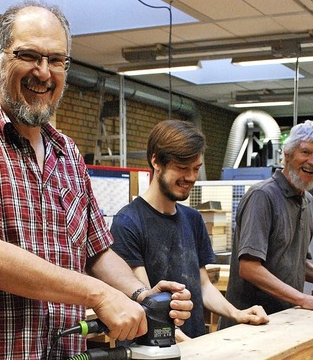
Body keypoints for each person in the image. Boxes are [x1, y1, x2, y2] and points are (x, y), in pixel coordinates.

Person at [0, 2, 192, 360]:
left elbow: (97, 250)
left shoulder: (66, 153)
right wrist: (99, 294)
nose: (43, 72)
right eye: (28, 56)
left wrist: (141, 297)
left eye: (56, 60)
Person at [110, 119, 269, 341]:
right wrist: (190, 346)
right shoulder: (128, 222)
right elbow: (148, 302)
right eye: (182, 168)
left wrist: (237, 314)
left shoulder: (193, 219)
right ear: (156, 161)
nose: (191, 177)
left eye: (196, 169)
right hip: (149, 351)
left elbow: (202, 285)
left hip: (191, 345)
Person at [219, 120, 313, 329]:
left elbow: (292, 262)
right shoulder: (263, 196)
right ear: (288, 155)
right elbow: (249, 268)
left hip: (284, 319)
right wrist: (304, 299)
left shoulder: (308, 201)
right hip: (249, 325)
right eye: (305, 152)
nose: (312, 161)